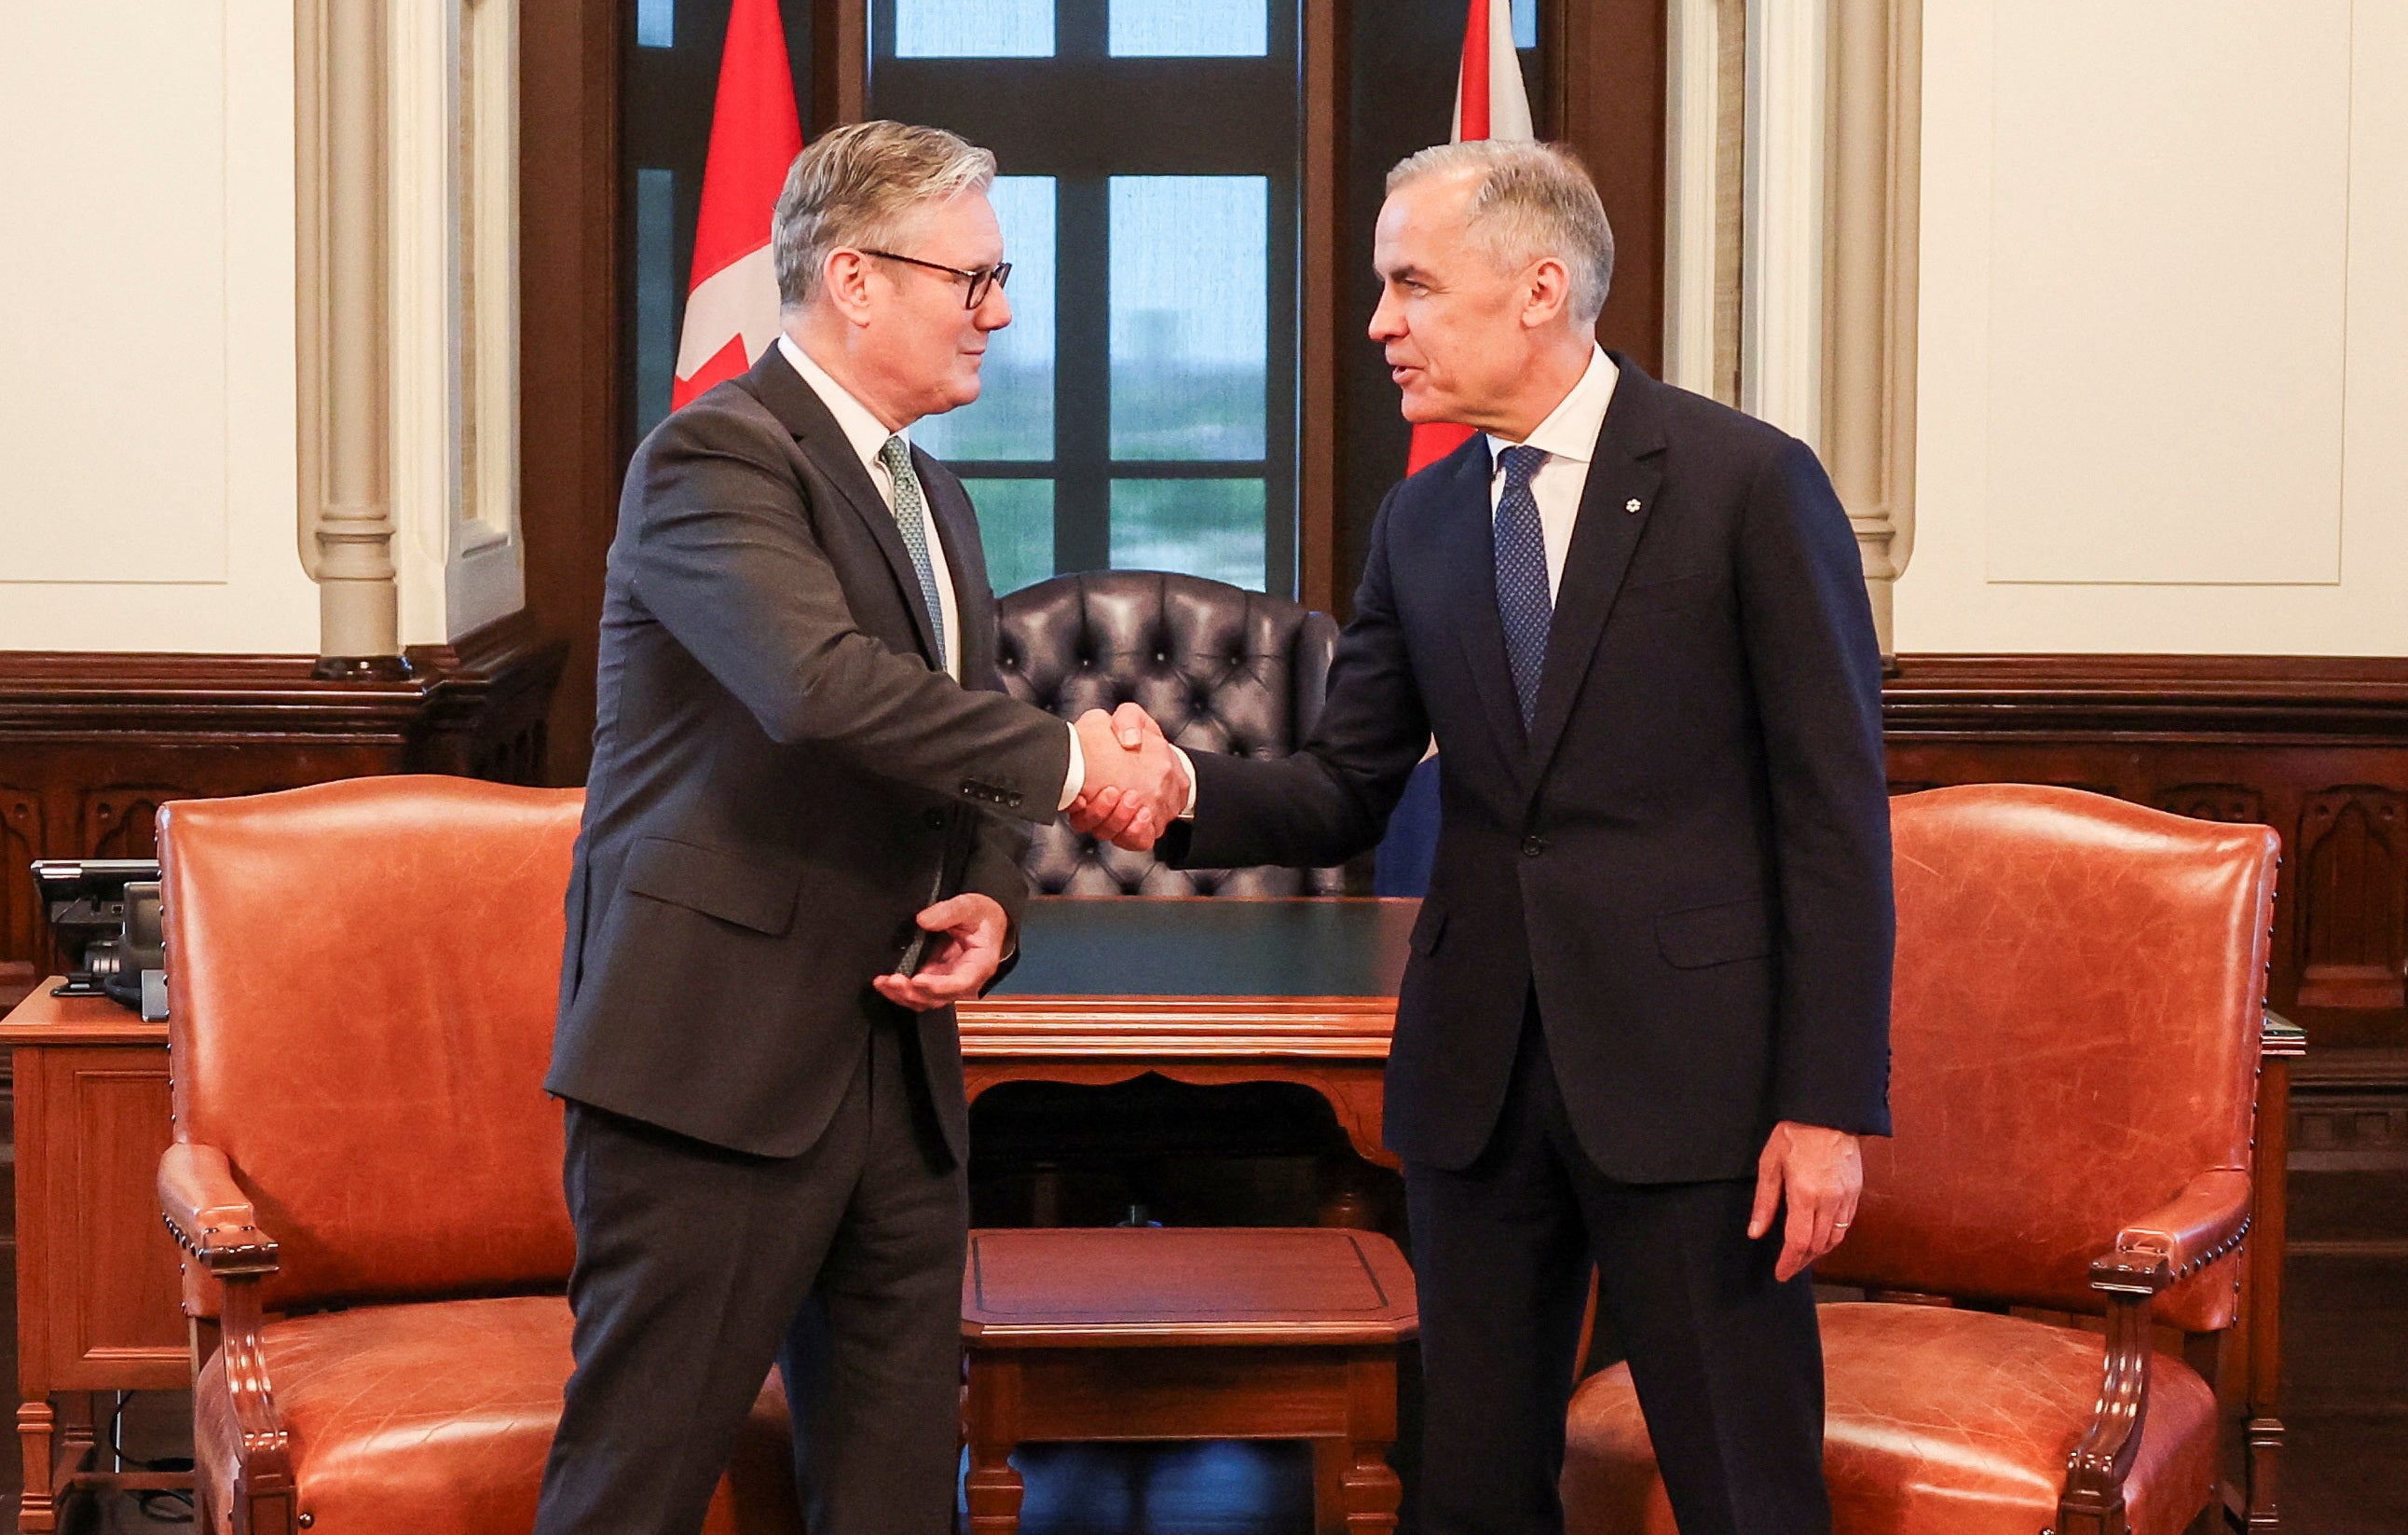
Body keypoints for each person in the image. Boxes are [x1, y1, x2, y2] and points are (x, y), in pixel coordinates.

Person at [1070, 140, 1893, 1534]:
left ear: (1538, 287)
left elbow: (1835, 816)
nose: (1381, 322)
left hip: (1697, 1090)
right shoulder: (1426, 517)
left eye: (1410, 284)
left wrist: (1827, 1105)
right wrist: (1182, 789)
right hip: (1477, 1082)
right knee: (1471, 1494)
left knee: (1747, 1492)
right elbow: (1344, 785)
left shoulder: (1745, 481)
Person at [536, 119, 1181, 1535]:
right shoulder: (713, 457)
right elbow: (820, 691)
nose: (1000, 313)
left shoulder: (933, 491)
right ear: (855, 277)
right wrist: (1081, 762)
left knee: (895, 1494)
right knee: (632, 1489)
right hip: (712, 1069)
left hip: (898, 1069)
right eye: (977, 277)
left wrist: (996, 893)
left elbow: (948, 737)